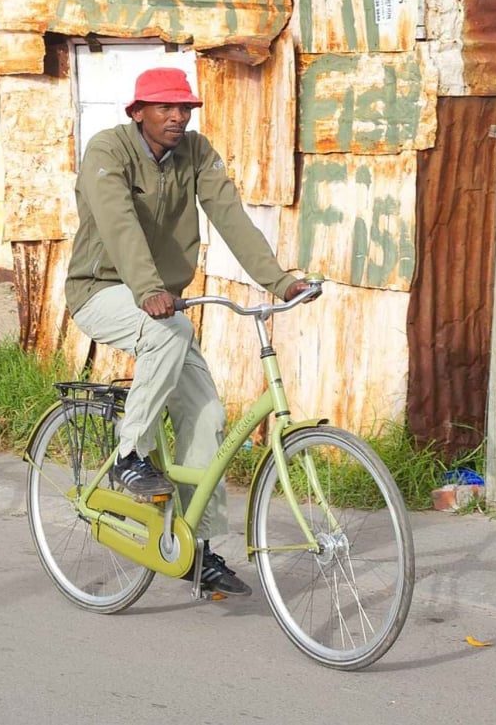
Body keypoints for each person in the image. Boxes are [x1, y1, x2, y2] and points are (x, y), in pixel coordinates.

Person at [66, 66, 320, 597]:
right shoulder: (108, 150)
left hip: (159, 303)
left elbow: (231, 217)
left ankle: (197, 550)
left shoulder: (196, 153)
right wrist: (147, 288)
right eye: (165, 107)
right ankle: (129, 455)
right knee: (170, 331)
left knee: (206, 415)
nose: (178, 117)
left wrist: (279, 282)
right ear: (138, 112)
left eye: (185, 108)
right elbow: (118, 223)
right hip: (102, 290)